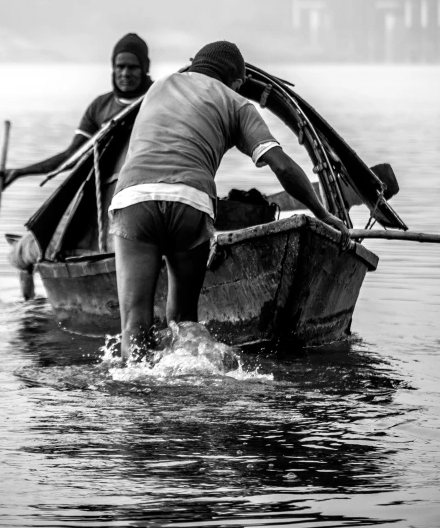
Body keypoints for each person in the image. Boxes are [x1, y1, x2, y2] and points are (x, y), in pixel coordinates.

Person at [108, 40, 350, 360]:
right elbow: (282, 166)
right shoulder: (237, 102)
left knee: (134, 327)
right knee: (183, 323)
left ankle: (136, 392)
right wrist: (322, 212)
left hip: (134, 200)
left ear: (195, 65)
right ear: (237, 81)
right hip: (189, 202)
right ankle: (184, 383)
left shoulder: (158, 87)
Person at [0, 33, 152, 189]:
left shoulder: (158, 99)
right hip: (107, 188)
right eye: (120, 67)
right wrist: (21, 172)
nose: (125, 73)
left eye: (132, 67)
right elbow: (72, 157)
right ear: (113, 67)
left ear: (145, 68)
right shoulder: (99, 106)